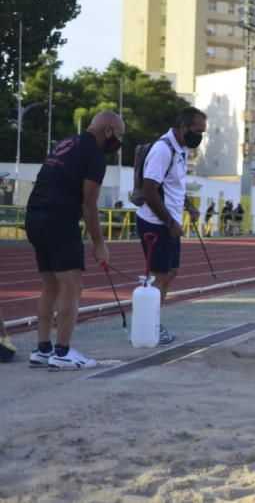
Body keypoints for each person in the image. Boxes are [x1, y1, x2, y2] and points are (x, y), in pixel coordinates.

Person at [25, 110, 125, 370]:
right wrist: (100, 244)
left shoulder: (64, 144)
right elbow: (88, 203)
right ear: (108, 131)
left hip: (35, 215)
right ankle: (63, 352)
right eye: (120, 135)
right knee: (72, 286)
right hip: (59, 220)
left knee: (50, 287)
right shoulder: (94, 154)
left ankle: (42, 348)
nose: (119, 141)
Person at [136, 107, 207, 345]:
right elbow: (149, 190)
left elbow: (174, 184)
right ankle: (149, 324)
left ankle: (152, 320)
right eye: (198, 131)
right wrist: (169, 222)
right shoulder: (163, 149)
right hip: (156, 223)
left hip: (170, 222)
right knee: (159, 276)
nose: (200, 136)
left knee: (171, 272)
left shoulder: (182, 149)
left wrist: (188, 205)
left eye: (203, 132)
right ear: (183, 127)